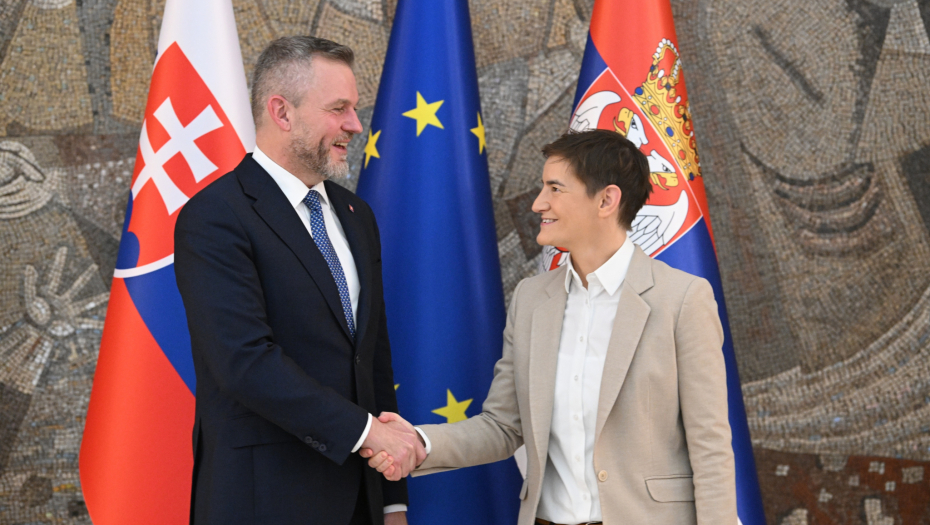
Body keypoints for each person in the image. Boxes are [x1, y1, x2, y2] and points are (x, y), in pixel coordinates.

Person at [364, 129, 737, 524]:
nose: (538, 203)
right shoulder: (530, 299)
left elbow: (710, 447)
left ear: (607, 200)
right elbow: (502, 426)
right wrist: (419, 442)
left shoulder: (682, 299)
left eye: (555, 188)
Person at [174, 36, 424, 525]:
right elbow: (244, 362)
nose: (355, 124)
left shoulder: (356, 215)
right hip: (265, 501)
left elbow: (372, 359)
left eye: (354, 108)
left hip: (362, 502)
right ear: (282, 112)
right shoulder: (215, 216)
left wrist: (392, 501)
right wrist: (367, 433)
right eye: (338, 109)